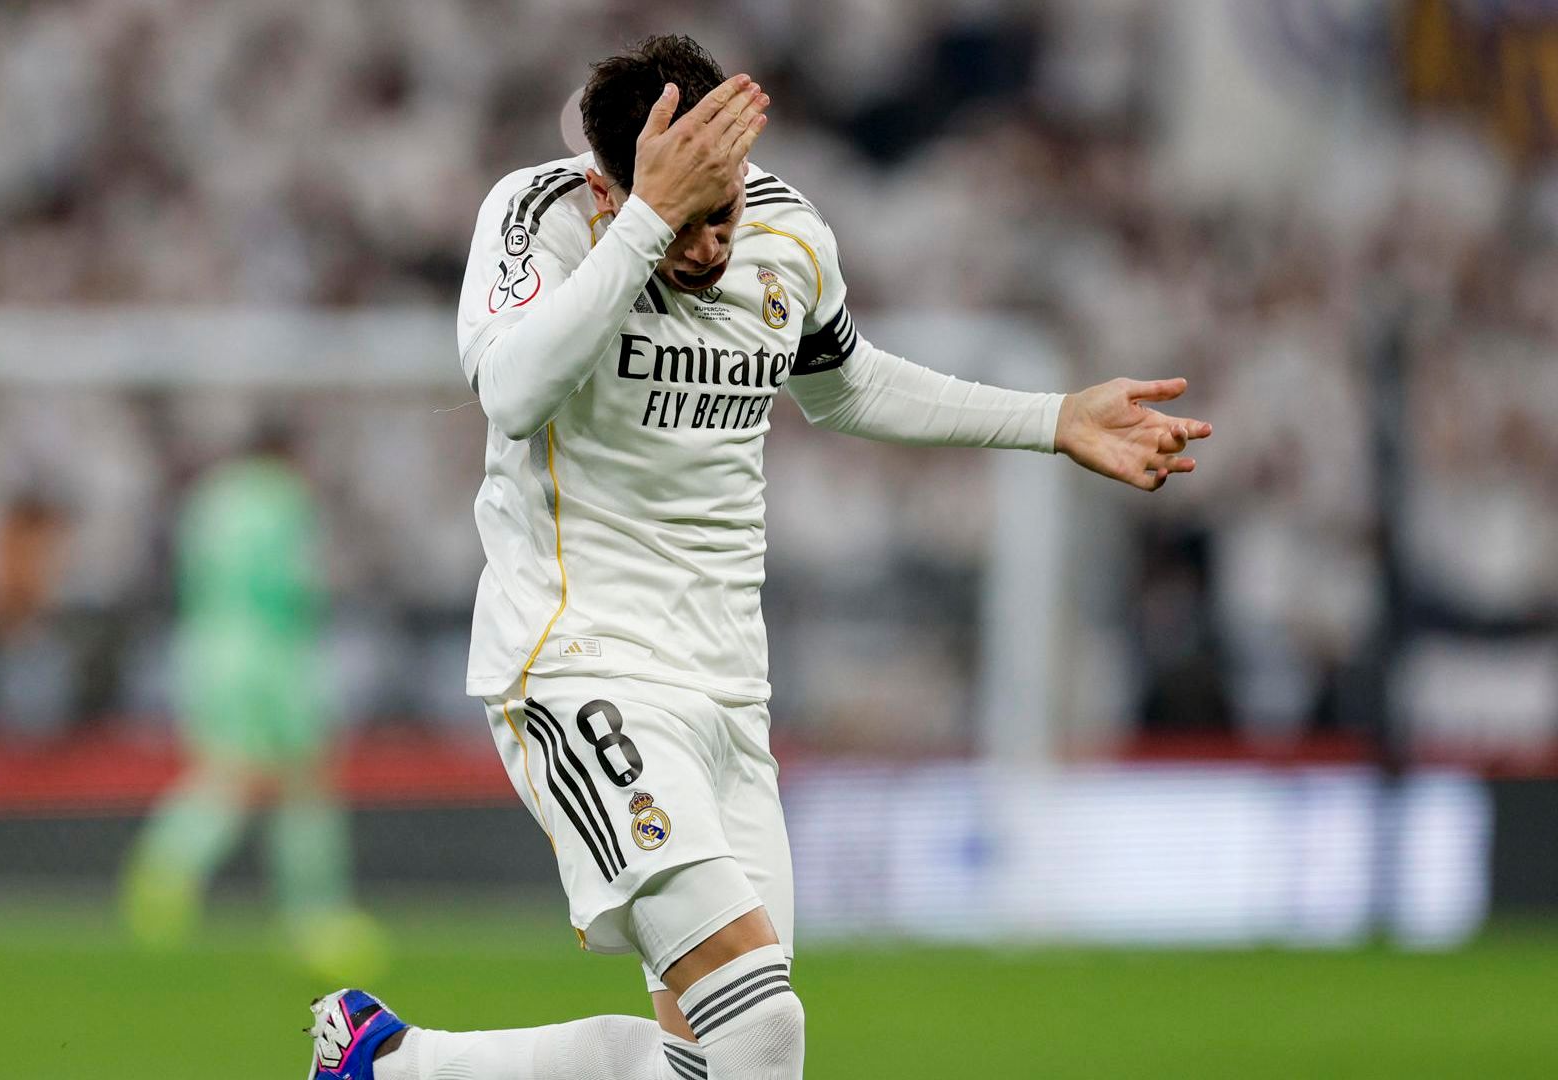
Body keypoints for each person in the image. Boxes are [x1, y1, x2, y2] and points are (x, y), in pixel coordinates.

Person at [307, 35, 1209, 1080]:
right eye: (683, 220)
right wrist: (644, 225)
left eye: (722, 210)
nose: (707, 246)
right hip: (581, 664)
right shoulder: (538, 216)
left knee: (716, 1065)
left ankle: (389, 1065)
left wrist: (1050, 418)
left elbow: (846, 385)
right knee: (764, 1030)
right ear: (608, 188)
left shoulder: (789, 233)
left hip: (730, 694)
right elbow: (510, 390)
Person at [125, 427, 381, 979]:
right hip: (270, 653)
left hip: (206, 649)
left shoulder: (207, 498)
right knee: (300, 780)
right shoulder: (284, 499)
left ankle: (164, 876)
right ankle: (313, 915)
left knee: (229, 773)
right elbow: (297, 583)